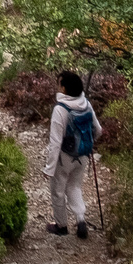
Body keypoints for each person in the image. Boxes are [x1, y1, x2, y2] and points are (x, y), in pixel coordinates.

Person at [44, 69, 95, 239]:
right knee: (75, 187)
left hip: (64, 157)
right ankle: (80, 220)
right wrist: (88, 144)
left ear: (64, 89)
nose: (57, 87)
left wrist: (49, 168)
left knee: (58, 191)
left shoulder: (60, 109)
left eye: (59, 84)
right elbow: (98, 129)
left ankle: (61, 226)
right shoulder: (86, 104)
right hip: (83, 155)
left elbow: (55, 142)